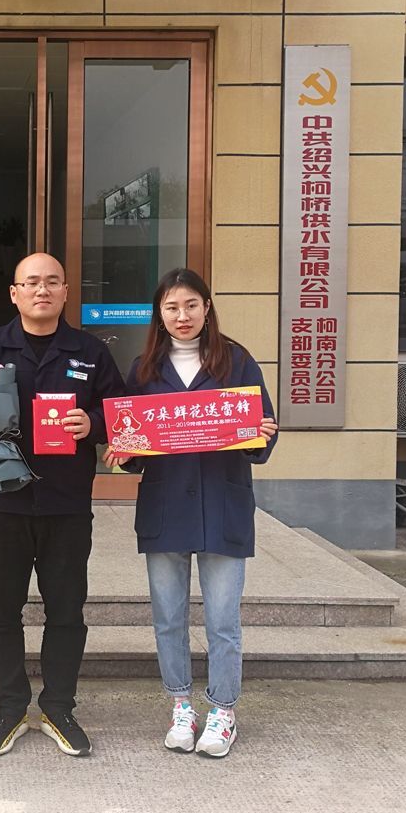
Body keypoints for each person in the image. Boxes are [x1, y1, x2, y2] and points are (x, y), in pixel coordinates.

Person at [0, 253, 127, 758]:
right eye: (31, 282)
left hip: (66, 504)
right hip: (3, 503)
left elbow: (120, 412)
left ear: (66, 291)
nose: (41, 290)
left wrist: (93, 424)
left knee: (66, 611)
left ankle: (58, 707)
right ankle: (9, 706)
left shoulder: (90, 352)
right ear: (14, 293)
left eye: (51, 282)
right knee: (1, 610)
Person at [105, 268, 278, 759]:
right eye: (171, 307)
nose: (182, 316)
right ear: (159, 314)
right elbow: (133, 444)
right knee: (168, 617)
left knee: (223, 620)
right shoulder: (143, 369)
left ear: (207, 307)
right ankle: (181, 706)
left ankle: (223, 711)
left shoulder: (237, 361)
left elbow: (262, 431)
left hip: (222, 504)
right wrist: (125, 453)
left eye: (191, 305)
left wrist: (262, 434)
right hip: (166, 505)